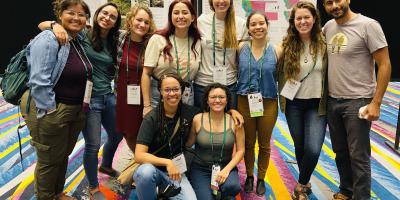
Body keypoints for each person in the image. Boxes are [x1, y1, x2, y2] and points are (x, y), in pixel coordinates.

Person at [38, 3, 124, 198]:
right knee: (93, 145)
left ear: (115, 22)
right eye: (104, 13)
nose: (107, 18)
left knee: (117, 134)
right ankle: (93, 187)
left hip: (108, 96)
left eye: (112, 16)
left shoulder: (114, 40)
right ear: (97, 14)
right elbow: (42, 25)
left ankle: (106, 165)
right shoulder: (84, 33)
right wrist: (55, 25)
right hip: (89, 99)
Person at [20, 0, 91, 199]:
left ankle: (57, 193)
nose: (77, 18)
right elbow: (39, 80)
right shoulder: (49, 39)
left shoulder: (77, 39)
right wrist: (50, 111)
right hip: (52, 109)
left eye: (82, 15)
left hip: (74, 109)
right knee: (49, 160)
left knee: (62, 156)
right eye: (71, 13)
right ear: (60, 14)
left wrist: (53, 23)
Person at [322, 0, 391, 199]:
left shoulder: (368, 25)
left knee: (358, 155)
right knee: (340, 151)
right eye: (329, 3)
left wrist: (376, 102)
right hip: (333, 101)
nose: (334, 5)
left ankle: (361, 197)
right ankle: (346, 190)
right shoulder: (328, 27)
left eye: (338, 0)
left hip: (358, 102)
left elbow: (385, 65)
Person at [277, 1, 328, 199]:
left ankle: (300, 184)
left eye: (307, 17)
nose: (303, 21)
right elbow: (271, 61)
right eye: (299, 18)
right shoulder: (287, 43)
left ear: (314, 19)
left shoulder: (324, 42)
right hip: (294, 104)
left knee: (313, 149)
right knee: (300, 147)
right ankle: (305, 183)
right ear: (293, 21)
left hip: (317, 104)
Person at [133, 73, 199, 200]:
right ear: (161, 92)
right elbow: (139, 155)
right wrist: (168, 162)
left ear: (181, 90)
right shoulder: (151, 118)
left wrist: (232, 112)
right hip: (153, 169)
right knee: (145, 173)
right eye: (167, 90)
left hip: (177, 172)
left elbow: (213, 113)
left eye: (175, 89)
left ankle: (162, 192)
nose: (172, 93)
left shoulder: (191, 112)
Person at [237, 11, 281, 196]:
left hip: (268, 102)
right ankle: (249, 176)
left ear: (267, 24)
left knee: (264, 144)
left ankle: (261, 177)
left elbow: (282, 75)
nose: (258, 27)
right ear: (248, 28)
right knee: (247, 142)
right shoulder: (240, 48)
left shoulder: (278, 50)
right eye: (253, 24)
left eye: (261, 23)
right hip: (244, 101)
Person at [141, 0, 201, 116]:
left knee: (184, 132)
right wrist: (147, 105)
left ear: (193, 17)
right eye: (176, 13)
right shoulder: (158, 39)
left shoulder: (197, 41)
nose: (180, 16)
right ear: (170, 17)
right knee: (160, 132)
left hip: (186, 95)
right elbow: (146, 73)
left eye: (185, 12)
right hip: (160, 94)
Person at [187, 83, 245, 199]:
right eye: (213, 97)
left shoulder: (236, 122)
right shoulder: (198, 119)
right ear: (207, 101)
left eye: (221, 97)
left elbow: (241, 150)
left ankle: (222, 193)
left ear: (227, 100)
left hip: (225, 166)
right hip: (200, 168)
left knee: (233, 187)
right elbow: (188, 144)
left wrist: (227, 170)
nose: (217, 100)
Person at [115, 4, 156, 152]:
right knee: (127, 131)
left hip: (144, 94)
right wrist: (54, 25)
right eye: (139, 20)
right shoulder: (119, 37)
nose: (142, 25)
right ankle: (140, 160)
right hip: (123, 94)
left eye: (146, 22)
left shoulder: (152, 42)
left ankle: (146, 160)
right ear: (131, 19)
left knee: (144, 131)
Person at [194, 0, 248, 109]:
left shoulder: (240, 23)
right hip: (203, 84)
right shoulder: (201, 21)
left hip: (229, 84)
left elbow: (244, 56)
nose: (221, 1)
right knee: (203, 123)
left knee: (228, 123)